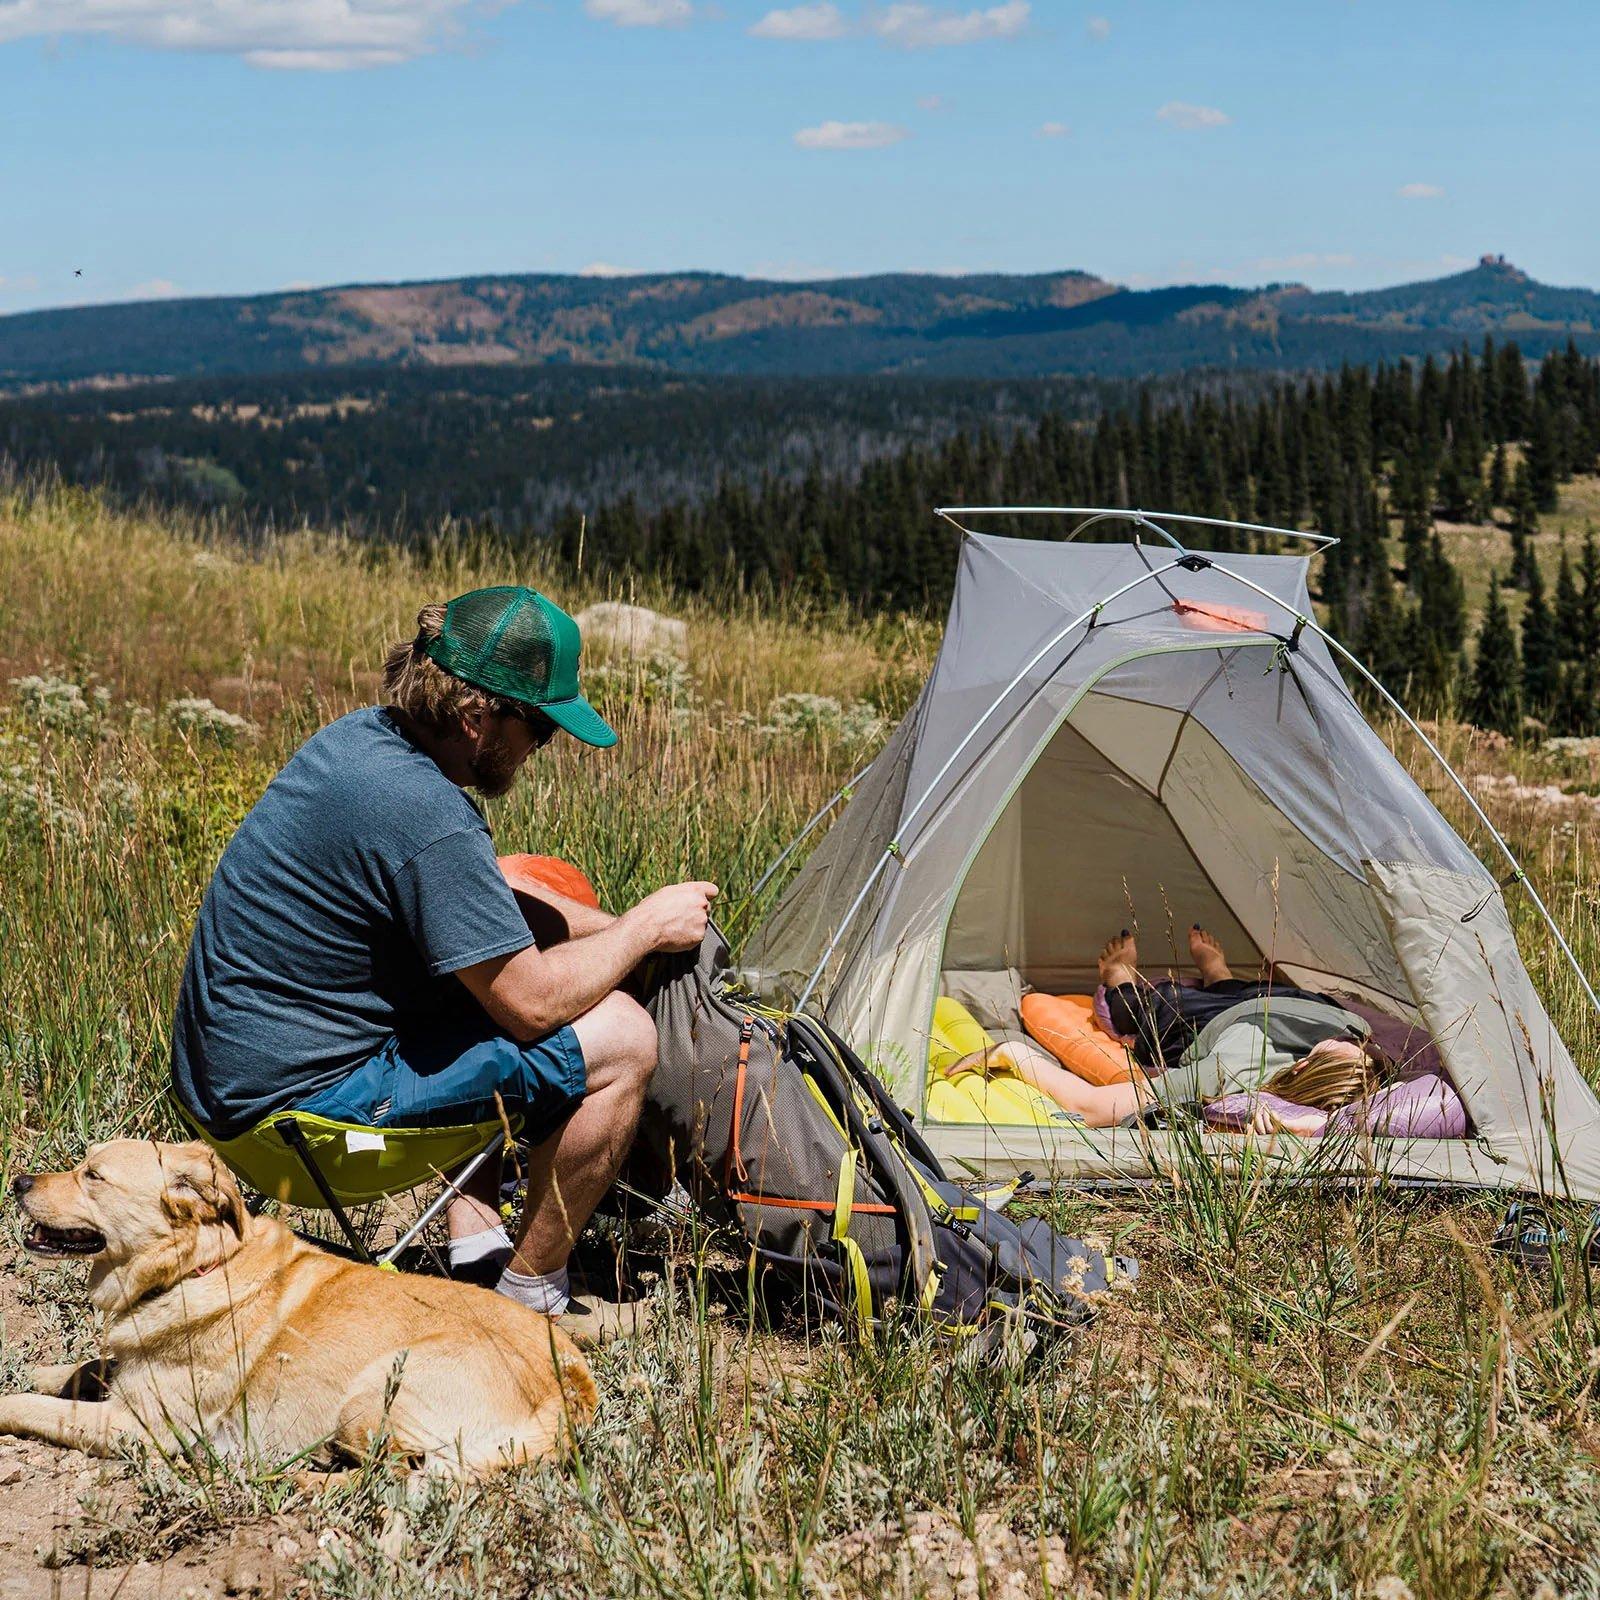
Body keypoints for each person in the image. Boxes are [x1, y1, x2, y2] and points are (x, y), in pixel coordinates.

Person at [171, 586, 717, 1343]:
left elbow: (488, 895)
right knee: (621, 1039)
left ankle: (477, 1240)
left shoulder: (360, 743)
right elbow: (528, 1005)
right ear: (476, 718)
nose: (541, 750)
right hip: (298, 1126)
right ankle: (527, 1304)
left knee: (519, 888)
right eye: (541, 730)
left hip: (223, 1094)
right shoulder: (426, 814)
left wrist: (614, 929)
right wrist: (643, 930)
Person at [937, 924, 1389, 1134]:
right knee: (1244, 991)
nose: (1353, 1042)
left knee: (1154, 1011)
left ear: (1309, 1062)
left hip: (1212, 1019)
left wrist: (1012, 1055)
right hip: (1276, 1001)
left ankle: (1118, 977)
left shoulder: (1228, 1074)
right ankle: (1218, 972)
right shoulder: (1352, 1033)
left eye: (1345, 1049)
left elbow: (1094, 1107)